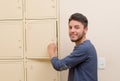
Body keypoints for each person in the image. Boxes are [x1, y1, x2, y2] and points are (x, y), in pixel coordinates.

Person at [47, 13, 98, 81]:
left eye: (76, 27)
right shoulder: (82, 46)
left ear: (85, 30)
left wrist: (51, 51)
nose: (72, 30)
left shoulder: (85, 48)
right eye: (70, 27)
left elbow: (59, 66)